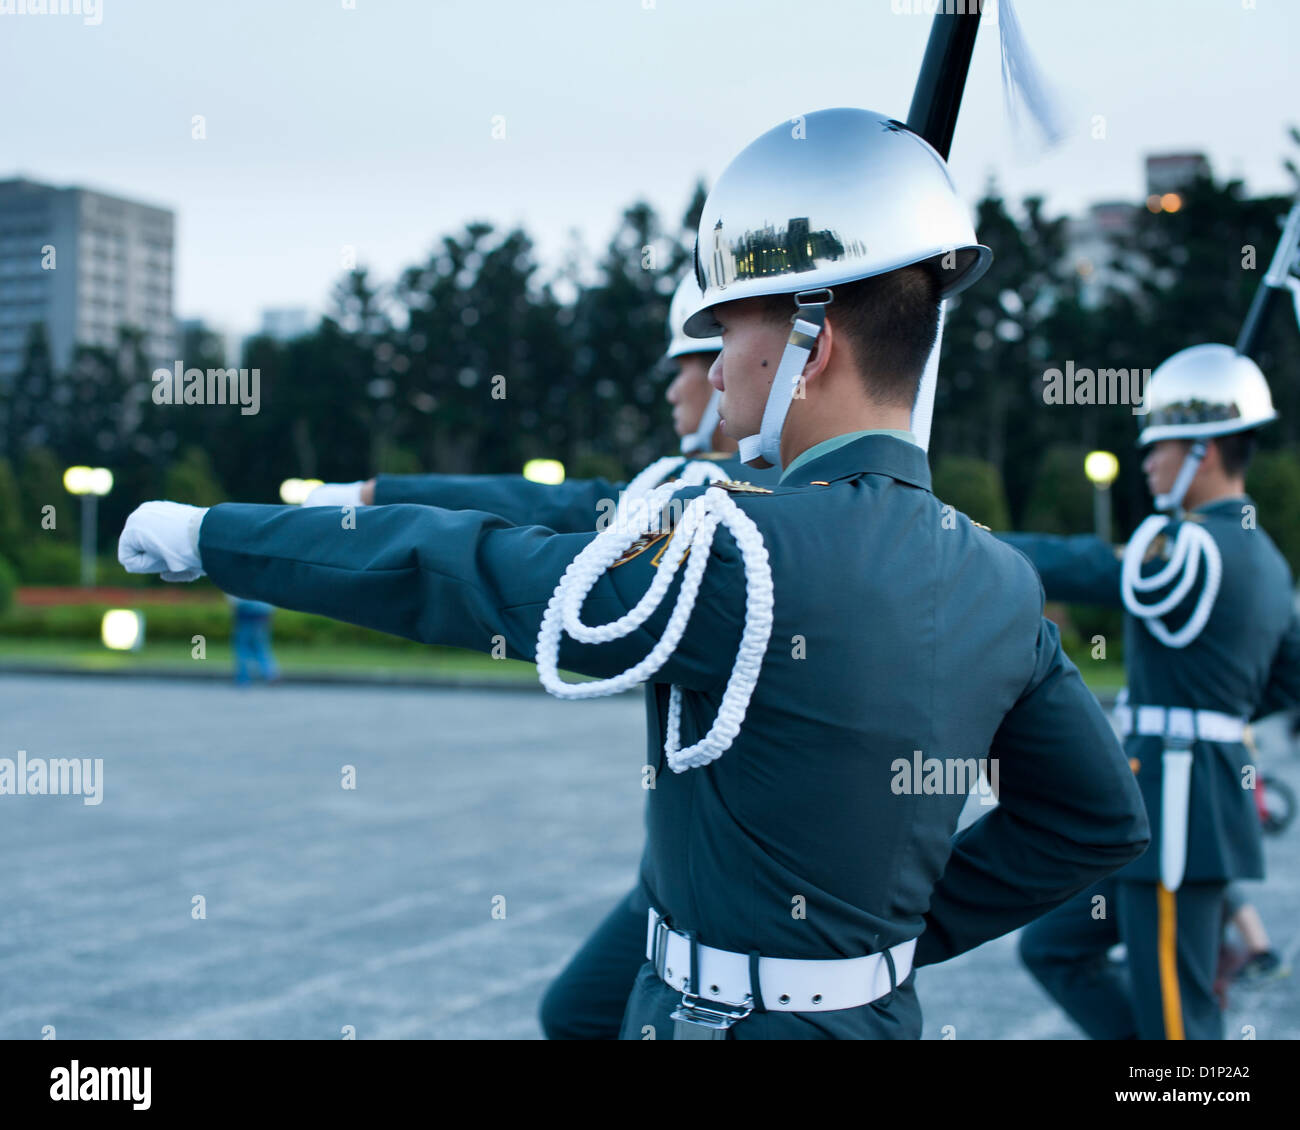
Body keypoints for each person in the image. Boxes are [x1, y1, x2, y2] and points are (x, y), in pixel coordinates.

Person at [119, 107, 1149, 1040]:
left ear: (810, 341)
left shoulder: (740, 549)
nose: (709, 353)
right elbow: (1092, 818)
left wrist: (220, 535)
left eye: (726, 323)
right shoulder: (999, 581)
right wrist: (889, 939)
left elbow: (472, 570)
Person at [303, 273, 779, 1040]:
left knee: (582, 1013)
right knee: (579, 1010)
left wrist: (370, 498)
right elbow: (549, 501)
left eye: (683, 366)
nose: (675, 391)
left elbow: (550, 507)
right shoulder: (693, 484)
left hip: (742, 875)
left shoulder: (728, 493)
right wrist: (375, 493)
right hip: (685, 866)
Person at [1006, 344, 1300, 1040]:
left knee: (1179, 1022)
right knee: (1055, 947)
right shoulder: (1266, 558)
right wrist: (1217, 708)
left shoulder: (1193, 547)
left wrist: (966, 540)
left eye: (1159, 444)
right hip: (1177, 806)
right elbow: (1286, 676)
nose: (1145, 460)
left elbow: (1082, 566)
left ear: (1202, 450)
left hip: (1175, 808)